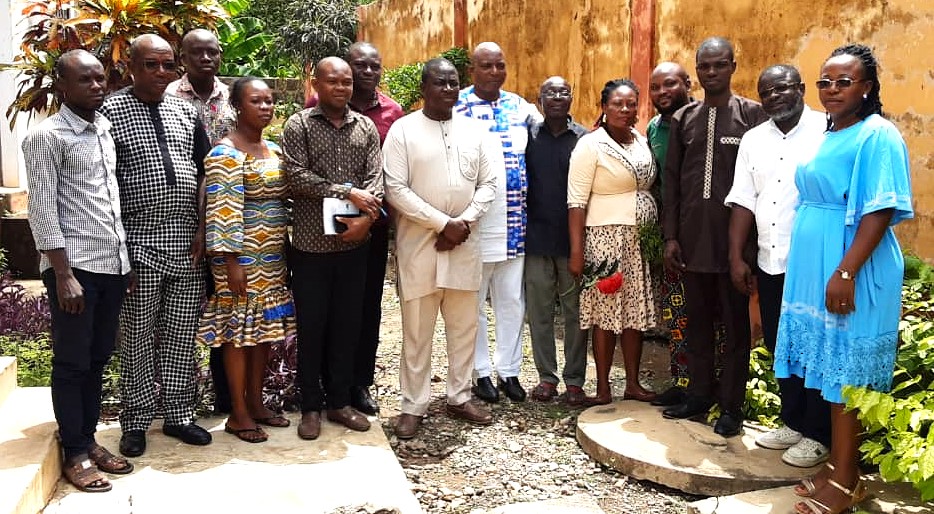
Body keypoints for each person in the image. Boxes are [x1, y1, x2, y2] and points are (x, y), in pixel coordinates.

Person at [776, 44, 913, 514]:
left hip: (853, 264)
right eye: (825, 82)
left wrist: (846, 270)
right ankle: (837, 467)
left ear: (867, 87)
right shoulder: (830, 131)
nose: (832, 90)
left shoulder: (878, 134)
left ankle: (848, 481)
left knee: (847, 375)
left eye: (844, 82)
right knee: (829, 370)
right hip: (818, 263)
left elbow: (880, 209)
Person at [23, 49, 134, 493]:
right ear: (62, 86)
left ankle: (88, 439)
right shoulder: (46, 136)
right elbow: (42, 208)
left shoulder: (104, 129)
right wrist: (63, 273)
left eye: (100, 78)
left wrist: (124, 263)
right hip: (74, 269)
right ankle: (74, 451)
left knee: (98, 356)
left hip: (111, 264)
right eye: (85, 80)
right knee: (72, 361)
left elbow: (108, 200)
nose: (96, 86)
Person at [101, 35, 213, 457]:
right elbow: (103, 183)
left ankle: (180, 415)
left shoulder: (186, 111)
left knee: (181, 335)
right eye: (152, 64)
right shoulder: (110, 112)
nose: (162, 72)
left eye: (168, 65)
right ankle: (136, 420)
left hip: (186, 244)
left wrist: (202, 228)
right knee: (137, 337)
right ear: (131, 67)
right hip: (138, 243)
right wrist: (120, 248)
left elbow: (204, 172)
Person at [384, 58, 499, 439]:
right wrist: (442, 224)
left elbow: (489, 184)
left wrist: (463, 222)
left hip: (464, 244)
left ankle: (459, 396)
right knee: (417, 331)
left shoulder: (475, 132)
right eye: (439, 82)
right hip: (421, 245)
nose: (448, 89)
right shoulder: (403, 130)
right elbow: (395, 188)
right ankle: (413, 405)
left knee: (464, 327)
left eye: (453, 83)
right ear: (424, 88)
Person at [661, 37, 768, 437]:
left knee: (736, 331)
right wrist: (671, 237)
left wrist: (749, 249)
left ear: (733, 66)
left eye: (719, 64)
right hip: (691, 243)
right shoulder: (684, 118)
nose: (711, 72)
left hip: (734, 247)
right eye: (704, 66)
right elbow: (672, 182)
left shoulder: (752, 116)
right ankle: (698, 396)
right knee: (698, 325)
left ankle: (731, 407)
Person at [725, 65, 831, 467]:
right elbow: (744, 199)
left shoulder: (827, 130)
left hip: (812, 263)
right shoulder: (754, 139)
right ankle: (793, 420)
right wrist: (737, 256)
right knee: (779, 342)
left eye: (782, 88)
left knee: (814, 346)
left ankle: (818, 433)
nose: (774, 97)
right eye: (766, 92)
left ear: (801, 88)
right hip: (769, 260)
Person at [281, 57, 383, 441]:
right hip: (311, 247)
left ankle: (339, 402)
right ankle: (310, 406)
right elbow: (296, 176)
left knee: (347, 325)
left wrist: (366, 220)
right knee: (312, 327)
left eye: (346, 82)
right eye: (333, 81)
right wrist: (347, 192)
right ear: (316, 83)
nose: (341, 88)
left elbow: (376, 177)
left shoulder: (365, 126)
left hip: (354, 245)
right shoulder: (299, 125)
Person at [306, 42, 404, 415]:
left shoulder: (392, 112)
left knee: (365, 307)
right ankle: (323, 384)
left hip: (371, 226)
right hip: (321, 227)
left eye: (374, 66)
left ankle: (358, 382)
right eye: (359, 65)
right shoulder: (315, 108)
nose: (367, 72)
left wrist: (368, 219)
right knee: (326, 308)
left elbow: (386, 173)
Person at [197, 77, 296, 443]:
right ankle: (238, 413)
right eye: (256, 101)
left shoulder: (273, 149)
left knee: (263, 330)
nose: (265, 107)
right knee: (237, 334)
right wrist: (231, 262)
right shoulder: (226, 152)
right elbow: (221, 211)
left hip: (271, 257)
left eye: (269, 101)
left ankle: (256, 402)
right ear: (238, 106)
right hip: (238, 258)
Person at [454, 42, 541, 403]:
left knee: (511, 301)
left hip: (515, 224)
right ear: (472, 70)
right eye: (486, 66)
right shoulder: (457, 106)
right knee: (472, 303)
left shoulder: (520, 106)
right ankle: (480, 372)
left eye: (499, 65)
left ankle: (509, 371)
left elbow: (552, 128)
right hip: (474, 224)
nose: (494, 72)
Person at [567, 79, 659, 406]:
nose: (625, 109)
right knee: (605, 313)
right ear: (604, 107)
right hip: (604, 241)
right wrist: (577, 251)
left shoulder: (641, 140)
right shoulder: (590, 145)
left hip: (638, 241)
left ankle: (632, 384)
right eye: (618, 103)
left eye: (631, 104)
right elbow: (576, 201)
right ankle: (603, 388)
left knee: (635, 312)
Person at [166, 27, 237, 415]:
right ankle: (177, 398)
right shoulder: (167, 97)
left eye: (212, 52)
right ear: (183, 58)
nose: (206, 59)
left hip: (226, 219)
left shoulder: (232, 99)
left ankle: (226, 396)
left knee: (226, 304)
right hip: (180, 219)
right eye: (197, 53)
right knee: (180, 313)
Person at [524, 76, 589, 405]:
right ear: (540, 101)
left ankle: (575, 381)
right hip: (536, 241)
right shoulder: (528, 137)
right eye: (550, 92)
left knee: (576, 314)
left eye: (564, 92)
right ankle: (546, 378)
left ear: (571, 99)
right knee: (539, 314)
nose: (557, 97)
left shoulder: (584, 139)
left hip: (572, 242)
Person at [644, 61, 702, 408]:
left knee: (708, 313)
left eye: (669, 84)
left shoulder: (705, 119)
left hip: (706, 233)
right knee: (676, 311)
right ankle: (682, 381)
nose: (662, 92)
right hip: (671, 235)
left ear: (687, 83)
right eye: (655, 87)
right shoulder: (654, 128)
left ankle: (708, 385)